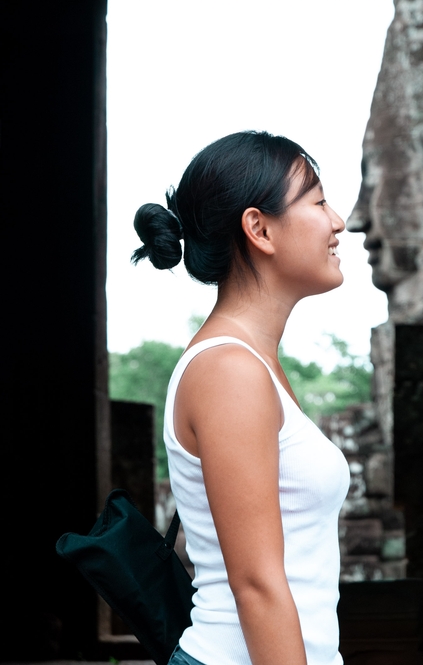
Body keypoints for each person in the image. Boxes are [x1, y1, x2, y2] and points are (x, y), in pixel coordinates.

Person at [132, 131, 350, 665]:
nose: (337, 221)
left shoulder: (254, 363)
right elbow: (256, 587)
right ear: (259, 228)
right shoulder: (229, 370)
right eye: (319, 201)